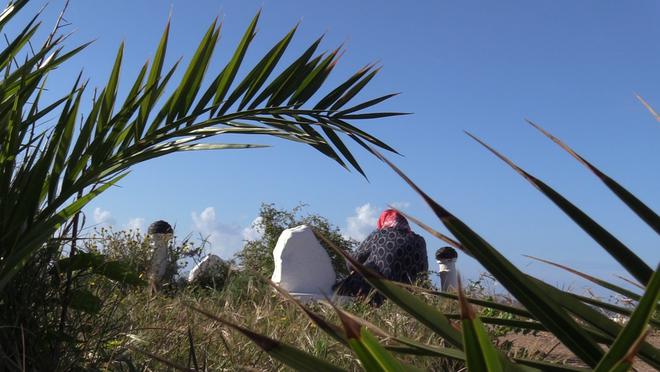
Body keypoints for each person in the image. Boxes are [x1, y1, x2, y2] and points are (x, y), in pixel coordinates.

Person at [334, 209, 428, 304]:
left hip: (375, 293)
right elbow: (424, 271)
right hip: (409, 299)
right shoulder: (420, 241)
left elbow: (351, 262)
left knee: (335, 288)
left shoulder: (379, 234)